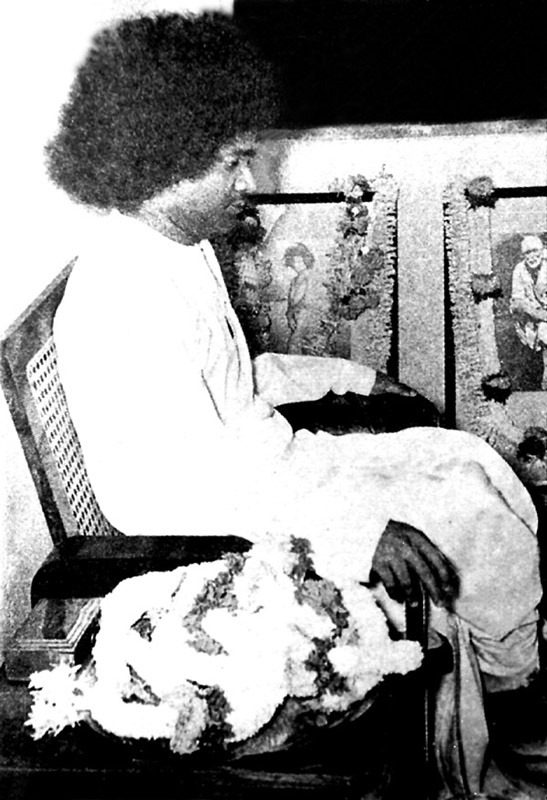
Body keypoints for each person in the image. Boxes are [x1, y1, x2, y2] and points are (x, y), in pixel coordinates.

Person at [47, 12, 542, 796]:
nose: (248, 183)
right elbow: (169, 494)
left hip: (272, 467)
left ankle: (511, 678)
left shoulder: (177, 247)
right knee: (466, 513)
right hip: (228, 515)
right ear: (160, 162)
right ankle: (514, 713)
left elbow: (239, 374)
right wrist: (354, 535)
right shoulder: (121, 295)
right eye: (231, 163)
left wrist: (351, 379)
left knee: (467, 459)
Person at [510, 234, 547, 390]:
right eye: (527, 253)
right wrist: (537, 313)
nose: (532, 257)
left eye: (535, 251)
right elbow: (517, 300)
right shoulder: (519, 270)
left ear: (542, 251)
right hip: (530, 317)